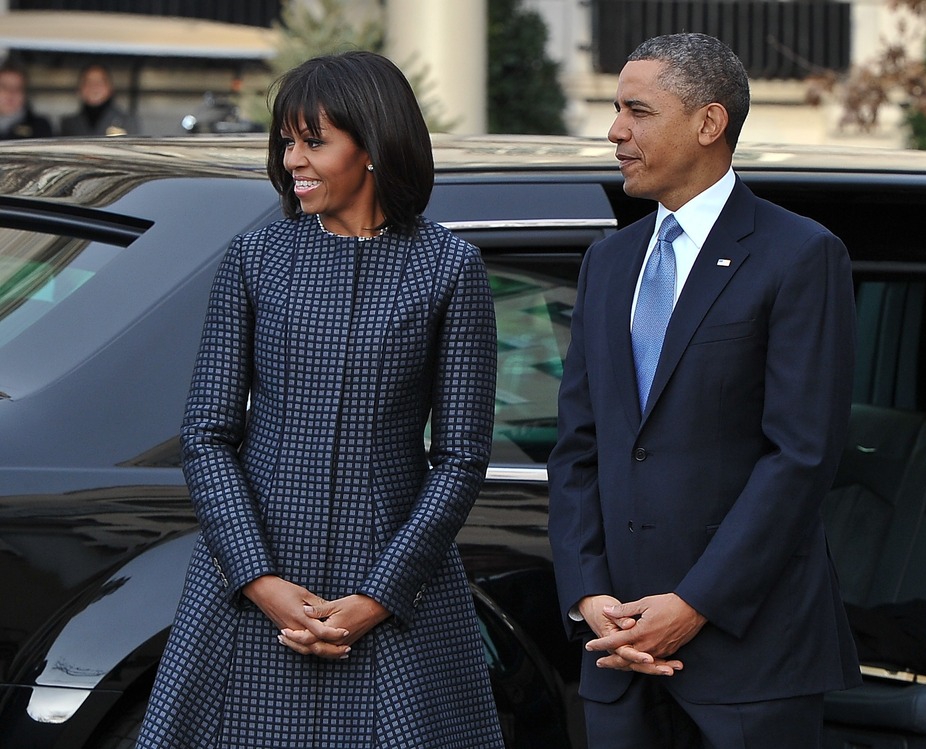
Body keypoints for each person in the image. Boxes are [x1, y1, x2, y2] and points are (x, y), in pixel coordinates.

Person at [135, 51, 504, 748]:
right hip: (253, 590)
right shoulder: (255, 258)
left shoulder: (450, 268)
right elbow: (207, 434)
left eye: (313, 140)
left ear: (373, 146)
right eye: (286, 140)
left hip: (393, 594)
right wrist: (258, 578)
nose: (292, 159)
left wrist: (379, 596)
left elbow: (459, 457)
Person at [547, 33, 860, 748]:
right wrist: (590, 595)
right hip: (616, 652)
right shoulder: (608, 260)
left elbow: (801, 455)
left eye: (637, 110)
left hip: (749, 661)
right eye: (614, 110)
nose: (615, 130)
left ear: (708, 123)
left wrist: (694, 602)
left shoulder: (800, 253)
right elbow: (578, 447)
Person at [59, 63, 138, 136]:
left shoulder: (128, 121)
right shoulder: (68, 124)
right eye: (88, 82)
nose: (94, 87)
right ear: (79, 89)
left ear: (110, 88)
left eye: (100, 82)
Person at [0, 60, 53, 140]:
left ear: (25, 93)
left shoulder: (40, 126)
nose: (11, 93)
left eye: (18, 88)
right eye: (4, 86)